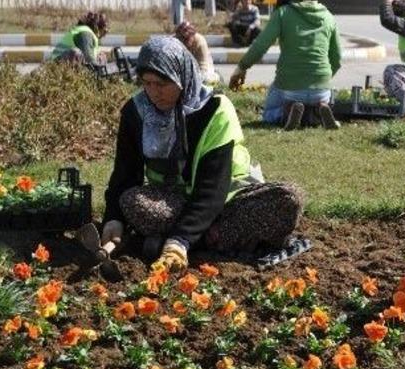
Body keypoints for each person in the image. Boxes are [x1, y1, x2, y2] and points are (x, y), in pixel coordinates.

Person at [101, 36, 304, 270]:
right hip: (176, 200)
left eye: (162, 83)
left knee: (288, 199)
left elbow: (212, 189)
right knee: (132, 201)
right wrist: (113, 218)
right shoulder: (136, 111)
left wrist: (180, 240)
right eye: (147, 83)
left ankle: (179, 240)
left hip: (228, 199)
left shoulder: (216, 110)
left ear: (183, 76)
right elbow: (125, 174)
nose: (154, 93)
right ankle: (217, 239)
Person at [229, 0, 342, 130]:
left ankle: (286, 112)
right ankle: (318, 110)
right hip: (322, 88)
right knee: (320, 96)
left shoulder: (282, 13)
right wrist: (320, 78)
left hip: (290, 87)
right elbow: (337, 58)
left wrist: (241, 68)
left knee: (268, 114)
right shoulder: (328, 16)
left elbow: (261, 45)